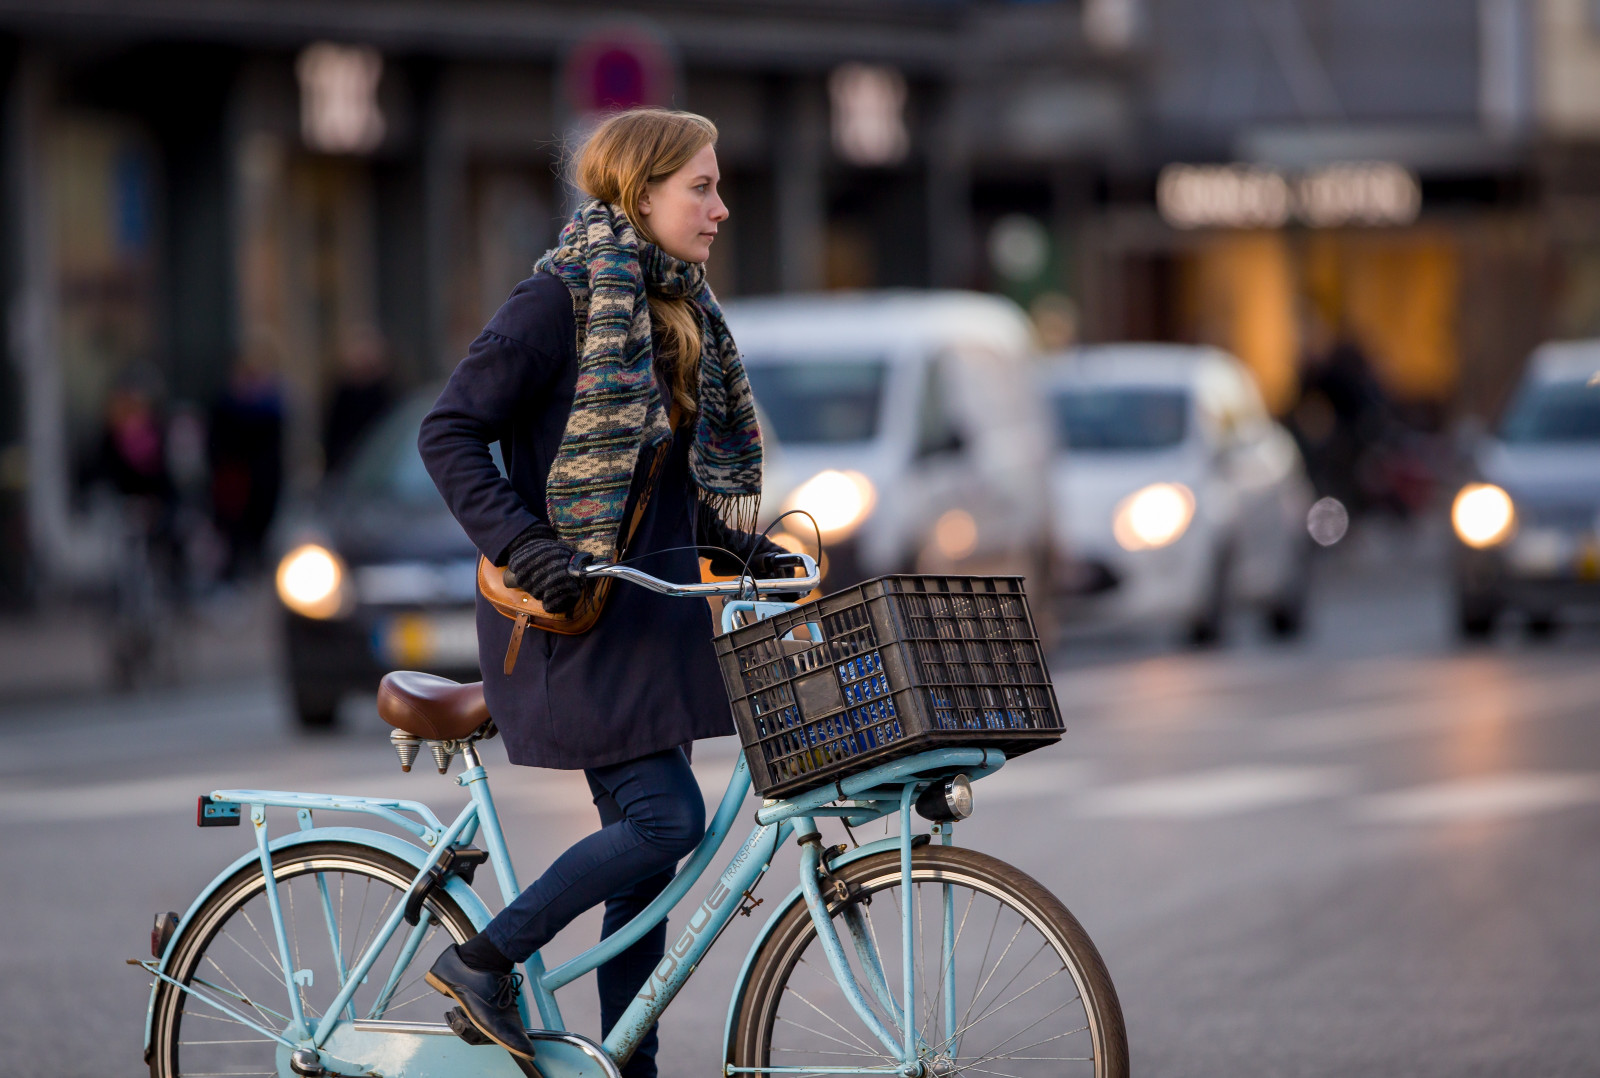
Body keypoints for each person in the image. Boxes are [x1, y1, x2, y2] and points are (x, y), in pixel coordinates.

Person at [416, 108, 788, 1076]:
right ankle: (482, 958)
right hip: (566, 620)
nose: (720, 207)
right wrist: (525, 543)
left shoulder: (677, 308)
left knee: (647, 854)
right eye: (699, 187)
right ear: (641, 192)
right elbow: (447, 433)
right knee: (667, 820)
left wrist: (736, 548)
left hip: (644, 622)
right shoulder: (556, 304)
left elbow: (656, 482)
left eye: (717, 186)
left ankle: (629, 1062)